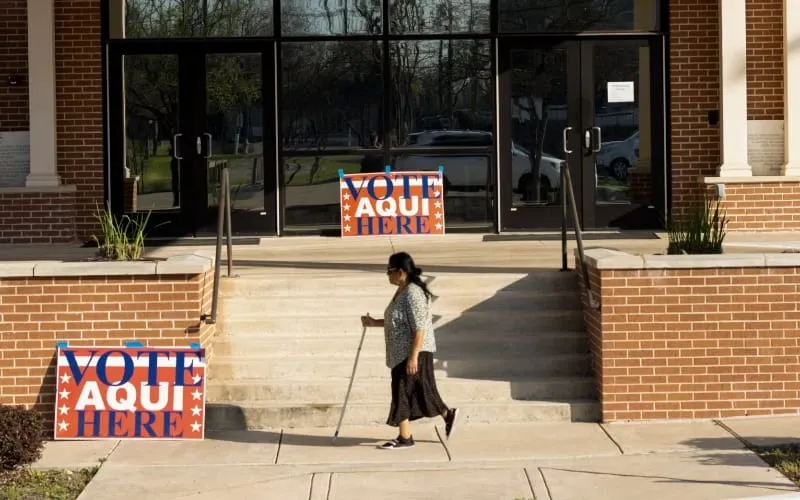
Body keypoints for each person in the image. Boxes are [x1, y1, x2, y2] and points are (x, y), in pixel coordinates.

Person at [361, 252, 458, 449]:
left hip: (413, 352)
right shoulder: (402, 291)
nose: (387, 275)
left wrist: (413, 357)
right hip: (401, 352)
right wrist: (374, 322)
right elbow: (398, 321)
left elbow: (419, 328)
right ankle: (447, 415)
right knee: (420, 390)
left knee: (403, 391)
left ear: (401, 272)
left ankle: (405, 437)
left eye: (390, 271)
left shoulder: (413, 293)